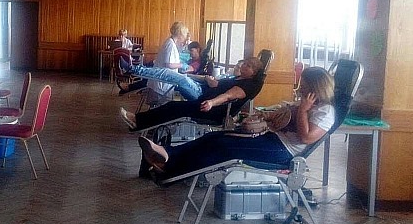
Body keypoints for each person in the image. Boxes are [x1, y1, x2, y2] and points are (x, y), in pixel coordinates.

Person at [137, 66, 335, 181]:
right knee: (215, 137)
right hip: (272, 139)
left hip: (283, 151)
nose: (300, 89)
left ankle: (170, 170)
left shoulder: (326, 112)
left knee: (225, 148)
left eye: (304, 85)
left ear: (315, 87)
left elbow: (306, 138)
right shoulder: (306, 103)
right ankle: (168, 154)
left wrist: (303, 110)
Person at [119, 57, 266, 131]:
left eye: (248, 66)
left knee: (174, 104)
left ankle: (138, 120)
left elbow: (228, 95)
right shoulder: (239, 78)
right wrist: (207, 80)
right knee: (173, 100)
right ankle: (138, 121)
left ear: (254, 73)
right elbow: (217, 86)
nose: (243, 66)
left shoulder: (247, 86)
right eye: (245, 63)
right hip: (203, 95)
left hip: (210, 109)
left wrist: (211, 102)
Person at [145, 21, 189, 104]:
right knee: (161, 107)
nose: (185, 37)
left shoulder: (170, 42)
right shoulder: (170, 45)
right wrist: (182, 65)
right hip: (162, 83)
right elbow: (169, 64)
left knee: (164, 105)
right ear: (180, 34)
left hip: (162, 81)